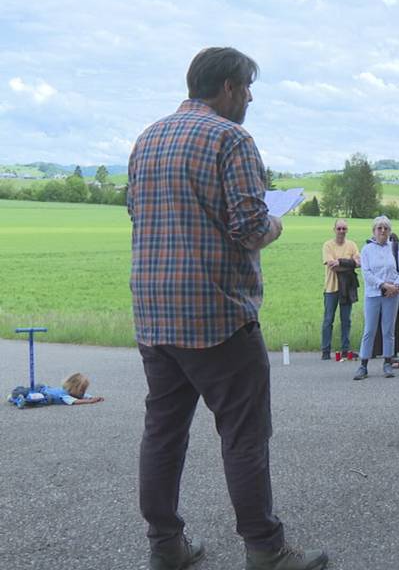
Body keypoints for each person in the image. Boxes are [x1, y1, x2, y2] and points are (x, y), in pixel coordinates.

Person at [128, 48, 327, 570]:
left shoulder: (147, 137)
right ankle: (265, 548)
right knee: (243, 434)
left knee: (163, 432)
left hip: (153, 316)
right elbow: (250, 227)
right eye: (247, 87)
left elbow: (135, 211)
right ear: (229, 88)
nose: (251, 97)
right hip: (216, 315)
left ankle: (164, 546)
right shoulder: (231, 138)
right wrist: (276, 222)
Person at [354, 216, 399, 380]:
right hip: (373, 294)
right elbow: (367, 273)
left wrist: (397, 285)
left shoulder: (396, 248)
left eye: (386, 228)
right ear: (374, 231)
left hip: (392, 294)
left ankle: (387, 362)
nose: (383, 231)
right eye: (380, 228)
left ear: (390, 231)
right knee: (369, 330)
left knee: (388, 330)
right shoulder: (367, 250)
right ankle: (363, 365)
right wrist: (383, 285)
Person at [321, 219, 360, 360]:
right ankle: (325, 351)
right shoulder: (327, 245)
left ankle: (345, 350)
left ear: (347, 230)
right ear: (334, 229)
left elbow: (359, 263)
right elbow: (332, 266)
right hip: (331, 288)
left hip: (347, 288)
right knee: (328, 320)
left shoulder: (352, 245)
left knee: (346, 320)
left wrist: (341, 262)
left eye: (344, 229)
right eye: (339, 228)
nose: (342, 231)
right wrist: (349, 264)